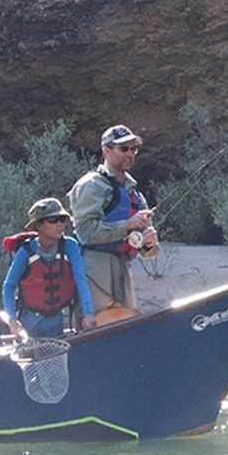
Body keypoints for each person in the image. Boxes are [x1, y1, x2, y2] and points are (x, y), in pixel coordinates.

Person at [67, 124, 158, 314]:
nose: (130, 154)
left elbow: (148, 252)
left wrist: (149, 244)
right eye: (123, 148)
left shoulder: (135, 192)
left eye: (133, 149)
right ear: (106, 150)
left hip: (123, 270)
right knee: (98, 324)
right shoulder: (90, 185)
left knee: (125, 325)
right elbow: (85, 233)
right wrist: (126, 226)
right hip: (94, 269)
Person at [1, 196, 96, 338]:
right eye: (53, 220)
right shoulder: (26, 252)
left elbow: (81, 279)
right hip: (29, 320)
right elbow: (9, 286)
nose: (60, 225)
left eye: (62, 219)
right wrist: (12, 319)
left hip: (56, 319)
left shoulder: (70, 246)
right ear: (38, 225)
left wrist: (88, 313)